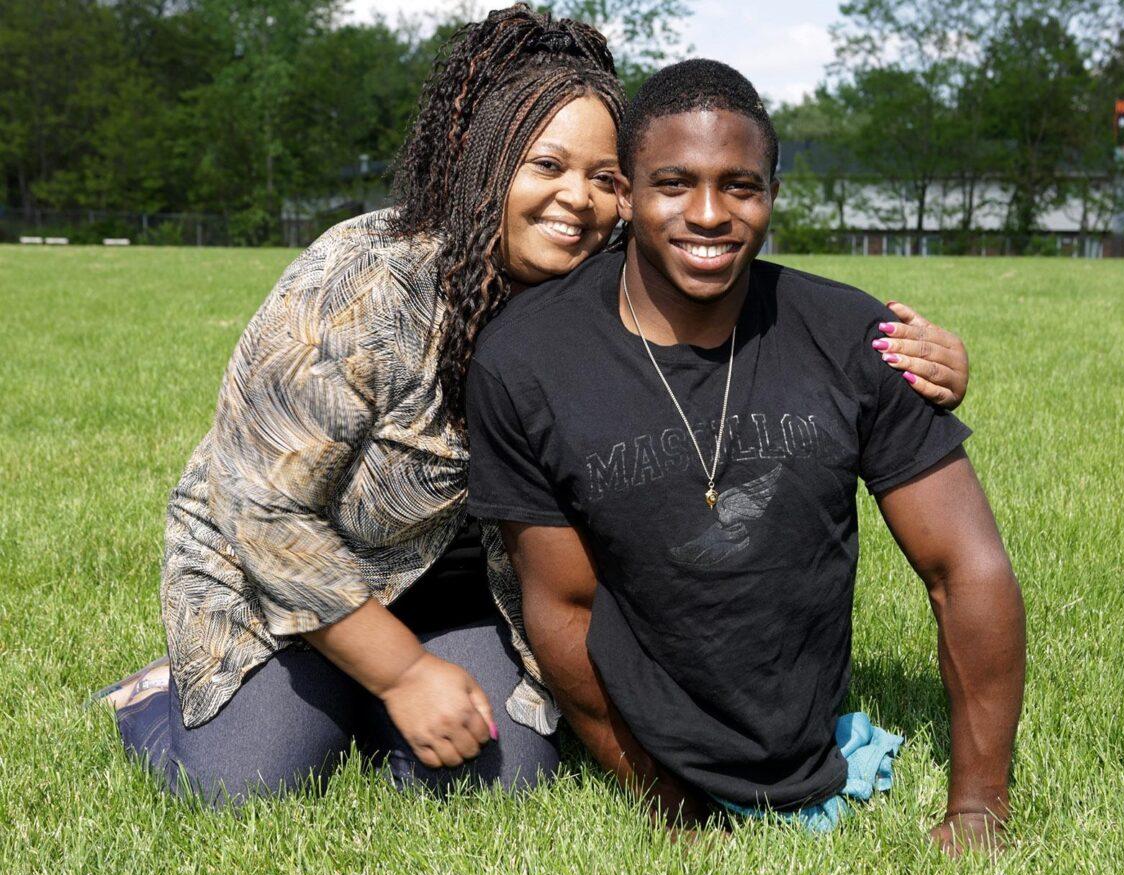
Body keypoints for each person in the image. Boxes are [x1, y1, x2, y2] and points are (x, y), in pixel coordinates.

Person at [100, 7, 972, 806]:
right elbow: (262, 507)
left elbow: (754, 327)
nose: (578, 200)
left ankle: (367, 705)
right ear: (484, 164)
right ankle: (163, 697)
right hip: (285, 583)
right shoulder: (364, 280)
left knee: (505, 775)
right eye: (546, 166)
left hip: (467, 595)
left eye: (603, 178)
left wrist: (903, 362)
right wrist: (401, 674)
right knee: (245, 786)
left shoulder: (618, 283)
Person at [464, 59, 1025, 854]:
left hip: (803, 722)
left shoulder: (849, 335)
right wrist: (666, 800)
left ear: (772, 193)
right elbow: (562, 610)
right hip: (644, 733)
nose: (708, 214)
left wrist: (977, 806)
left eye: (740, 186)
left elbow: (965, 568)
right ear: (626, 193)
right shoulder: (525, 359)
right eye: (673, 183)